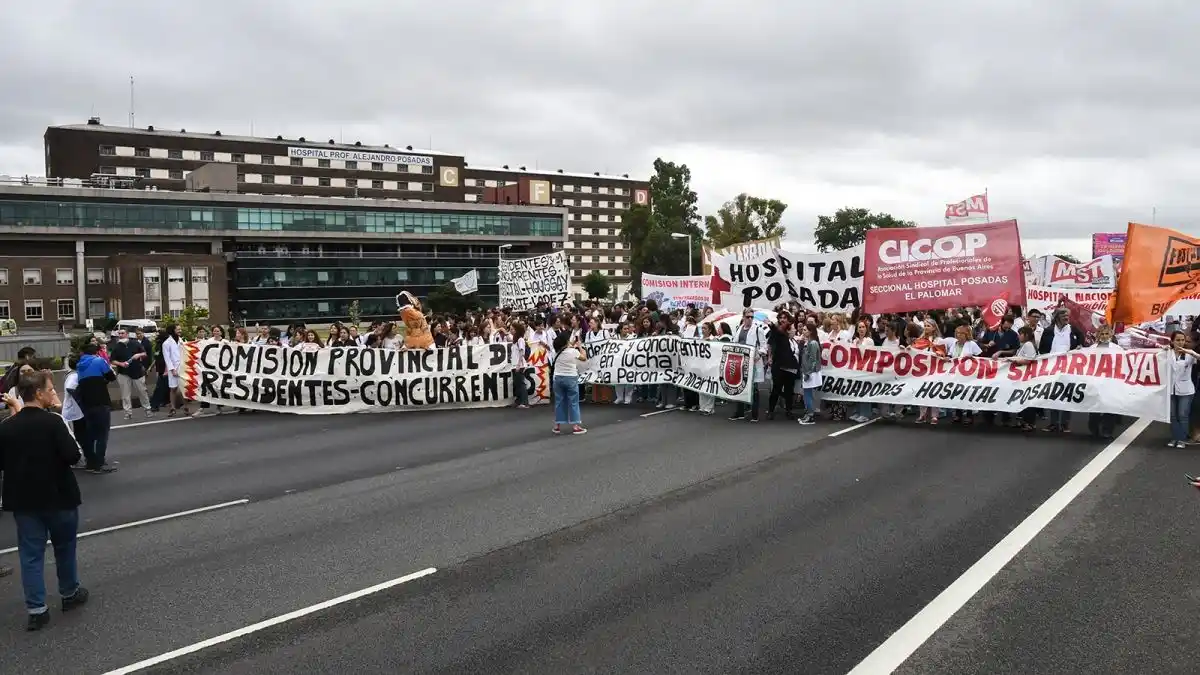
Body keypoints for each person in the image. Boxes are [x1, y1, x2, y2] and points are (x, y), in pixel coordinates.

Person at [0, 370, 90, 631]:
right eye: (50, 389)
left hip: (24, 500)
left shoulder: (6, 427)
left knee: (30, 555)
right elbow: (73, 456)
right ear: (38, 394)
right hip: (59, 495)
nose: (54, 393)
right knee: (64, 547)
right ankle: (69, 593)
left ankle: (37, 609)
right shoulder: (54, 422)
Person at [76, 343, 117, 473]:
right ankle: (100, 464)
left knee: (91, 434)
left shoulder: (79, 365)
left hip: (87, 404)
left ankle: (91, 462)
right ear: (96, 352)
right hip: (101, 401)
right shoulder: (99, 361)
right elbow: (111, 376)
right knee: (102, 434)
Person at [109, 328, 153, 420]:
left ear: (127, 334)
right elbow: (112, 360)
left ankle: (147, 409)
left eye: (123, 333)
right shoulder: (116, 347)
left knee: (142, 391)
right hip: (123, 373)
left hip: (137, 371)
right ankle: (128, 412)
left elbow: (145, 353)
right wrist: (121, 364)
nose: (121, 335)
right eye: (119, 334)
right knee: (125, 394)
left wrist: (139, 355)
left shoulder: (135, 343)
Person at [551, 332, 587, 435]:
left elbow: (566, 346)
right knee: (573, 401)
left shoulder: (556, 352)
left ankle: (557, 425)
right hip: (570, 377)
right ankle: (575, 425)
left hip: (557, 378)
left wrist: (571, 343)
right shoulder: (572, 352)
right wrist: (580, 347)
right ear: (566, 342)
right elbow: (584, 358)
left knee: (559, 401)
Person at [1167, 330, 1198, 448]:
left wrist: (1192, 352)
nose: (1180, 342)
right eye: (1178, 340)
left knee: (1182, 414)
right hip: (1171, 388)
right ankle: (1174, 437)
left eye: (1182, 340)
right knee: (1173, 415)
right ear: (1172, 341)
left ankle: (1182, 439)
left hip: (1186, 390)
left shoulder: (1190, 354)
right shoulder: (1167, 353)